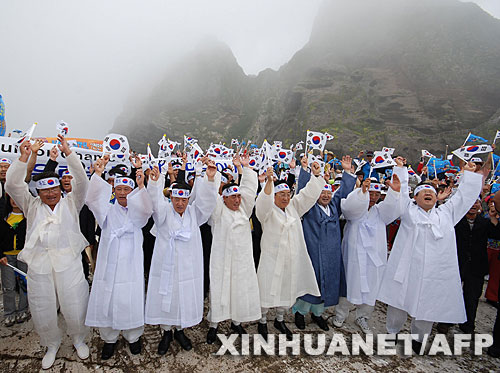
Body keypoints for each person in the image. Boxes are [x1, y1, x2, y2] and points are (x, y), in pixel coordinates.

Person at [377, 161, 487, 353]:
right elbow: (400, 196)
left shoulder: (446, 214)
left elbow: (464, 198)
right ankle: (391, 333)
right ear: (415, 197)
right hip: (408, 269)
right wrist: (401, 172)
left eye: (432, 193)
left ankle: (418, 340)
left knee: (428, 307)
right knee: (398, 304)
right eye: (423, 192)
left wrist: (468, 175)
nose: (428, 194)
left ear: (437, 198)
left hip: (433, 272)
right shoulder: (408, 211)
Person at [5, 137, 90, 370]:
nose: (50, 194)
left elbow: (81, 180)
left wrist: (68, 153)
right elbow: (12, 185)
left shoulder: (72, 203)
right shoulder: (31, 206)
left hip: (69, 264)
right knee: (43, 307)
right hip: (40, 266)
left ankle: (78, 338)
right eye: (45, 190)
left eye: (54, 188)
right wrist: (24, 156)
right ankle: (51, 344)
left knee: (74, 304)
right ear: (38, 193)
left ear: (60, 189)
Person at [145, 160, 217, 355]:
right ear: (172, 198)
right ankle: (166, 332)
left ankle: (180, 330)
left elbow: (207, 202)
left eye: (184, 200)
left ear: (188, 200)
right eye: (176, 199)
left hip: (187, 268)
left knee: (183, 297)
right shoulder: (164, 214)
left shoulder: (195, 214)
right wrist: (155, 183)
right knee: (167, 296)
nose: (180, 203)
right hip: (166, 266)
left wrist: (210, 180)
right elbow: (155, 202)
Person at [85, 155, 153, 360]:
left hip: (130, 266)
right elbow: (92, 199)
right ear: (114, 191)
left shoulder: (138, 213)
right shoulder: (106, 211)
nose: (123, 193)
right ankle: (109, 339)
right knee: (109, 297)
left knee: (130, 298)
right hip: (109, 265)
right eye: (119, 190)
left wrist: (142, 187)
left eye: (127, 190)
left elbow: (148, 209)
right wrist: (98, 174)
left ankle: (133, 337)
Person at [255, 162, 324, 340]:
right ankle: (262, 321)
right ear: (274, 196)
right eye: (281, 195)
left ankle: (280, 319)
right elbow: (262, 204)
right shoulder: (268, 212)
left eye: (288, 194)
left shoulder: (294, 207)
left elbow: (308, 196)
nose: (285, 198)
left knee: (286, 291)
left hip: (291, 259)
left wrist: (315, 176)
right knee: (266, 289)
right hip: (271, 259)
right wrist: (269, 183)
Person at [334, 166, 402, 334]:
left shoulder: (380, 212)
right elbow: (349, 209)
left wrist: (395, 193)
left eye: (376, 195)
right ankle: (341, 313)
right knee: (349, 282)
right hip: (354, 254)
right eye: (370, 194)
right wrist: (361, 194)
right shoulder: (357, 209)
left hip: (374, 258)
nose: (372, 198)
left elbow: (394, 209)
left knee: (372, 284)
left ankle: (363, 316)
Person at [292, 156, 356, 331]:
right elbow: (304, 192)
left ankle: (318, 314)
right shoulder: (310, 207)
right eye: (322, 192)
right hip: (313, 252)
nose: (326, 195)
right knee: (310, 283)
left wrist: (347, 172)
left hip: (332, 254)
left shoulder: (335, 206)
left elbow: (344, 192)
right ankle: (300, 312)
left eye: (328, 192)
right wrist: (306, 171)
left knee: (327, 285)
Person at [206, 153, 261, 344]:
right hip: (222, 259)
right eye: (233, 197)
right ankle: (214, 324)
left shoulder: (244, 211)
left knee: (239, 290)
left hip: (242, 261)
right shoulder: (219, 212)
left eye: (239, 196)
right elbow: (211, 197)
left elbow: (249, 188)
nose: (238, 200)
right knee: (219, 290)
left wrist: (246, 169)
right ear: (225, 199)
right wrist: (212, 179)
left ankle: (236, 322)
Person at [453, 198, 500, 333]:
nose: (473, 205)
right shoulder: (456, 220)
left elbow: (497, 234)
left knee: (472, 297)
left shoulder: (485, 222)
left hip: (477, 266)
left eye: (476, 202)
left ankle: (468, 325)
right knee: (450, 294)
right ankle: (446, 322)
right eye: (470, 202)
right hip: (456, 263)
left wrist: (493, 217)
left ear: (480, 205)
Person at [0, 194, 29, 326]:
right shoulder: (4, 217)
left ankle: (23, 310)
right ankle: (9, 313)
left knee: (24, 284)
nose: (14, 201)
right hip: (6, 257)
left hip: (23, 256)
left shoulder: (28, 218)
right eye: (12, 198)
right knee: (8, 286)